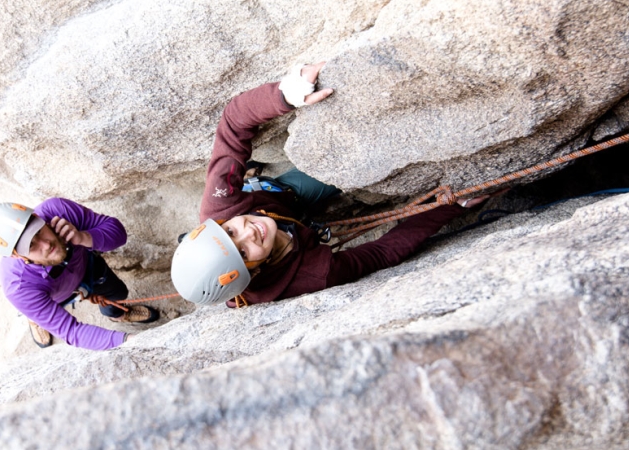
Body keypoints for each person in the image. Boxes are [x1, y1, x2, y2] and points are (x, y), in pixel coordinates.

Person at [171, 62, 489, 307]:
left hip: (281, 198)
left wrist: (285, 94)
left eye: (229, 231)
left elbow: (232, 123)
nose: (248, 231)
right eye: (243, 251)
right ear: (253, 273)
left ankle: (268, 185)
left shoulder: (220, 208)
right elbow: (379, 254)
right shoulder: (313, 275)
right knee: (351, 168)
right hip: (294, 228)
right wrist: (447, 208)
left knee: (344, 162)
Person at [0, 198, 159, 350]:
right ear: (17, 256)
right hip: (54, 295)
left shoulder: (57, 211)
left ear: (37, 217)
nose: (46, 245)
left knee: (119, 293)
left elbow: (118, 233)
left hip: (87, 267)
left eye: (39, 231)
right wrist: (128, 342)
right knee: (41, 313)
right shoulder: (19, 287)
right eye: (31, 245)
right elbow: (72, 331)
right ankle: (37, 320)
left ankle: (117, 314)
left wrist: (84, 237)